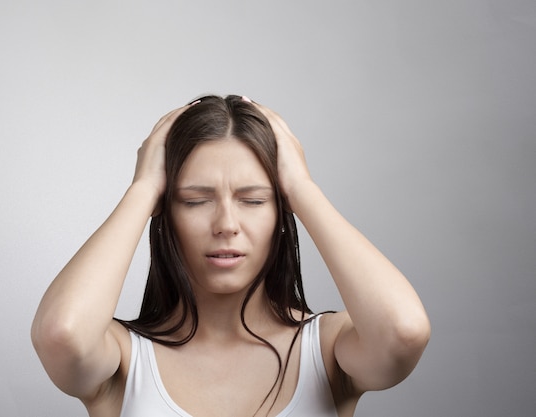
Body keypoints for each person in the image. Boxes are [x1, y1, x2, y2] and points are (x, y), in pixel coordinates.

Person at [31, 94, 431, 417]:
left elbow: (403, 332)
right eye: (195, 200)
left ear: (281, 210)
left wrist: (303, 188)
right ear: (165, 213)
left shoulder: (328, 350)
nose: (226, 223)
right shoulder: (123, 359)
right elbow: (62, 334)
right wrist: (143, 189)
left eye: (253, 200)